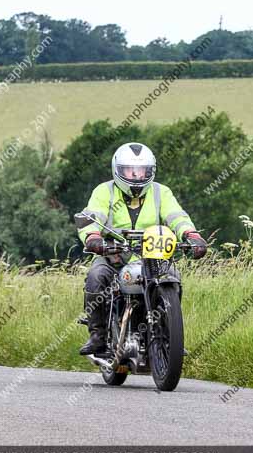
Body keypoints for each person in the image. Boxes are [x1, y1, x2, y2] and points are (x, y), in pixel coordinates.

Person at [76, 142, 207, 355]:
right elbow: (93, 216)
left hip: (152, 256)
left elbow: (177, 216)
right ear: (118, 170)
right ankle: (98, 335)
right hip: (112, 254)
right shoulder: (104, 191)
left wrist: (192, 236)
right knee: (96, 276)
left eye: (142, 171)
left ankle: (170, 334)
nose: (137, 176)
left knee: (172, 277)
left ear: (151, 171)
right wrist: (93, 237)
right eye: (130, 171)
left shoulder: (161, 192)